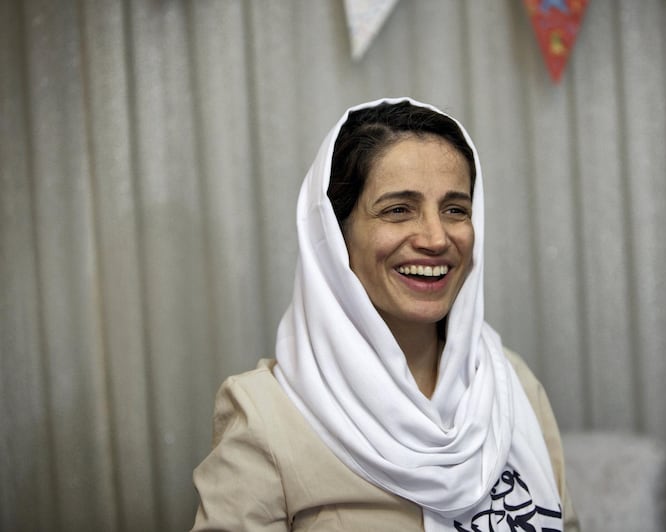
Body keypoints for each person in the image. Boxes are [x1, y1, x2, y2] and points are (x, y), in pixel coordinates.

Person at [191, 98, 580, 532]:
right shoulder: (266, 415)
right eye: (398, 210)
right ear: (335, 238)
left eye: (455, 209)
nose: (435, 238)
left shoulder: (511, 383)